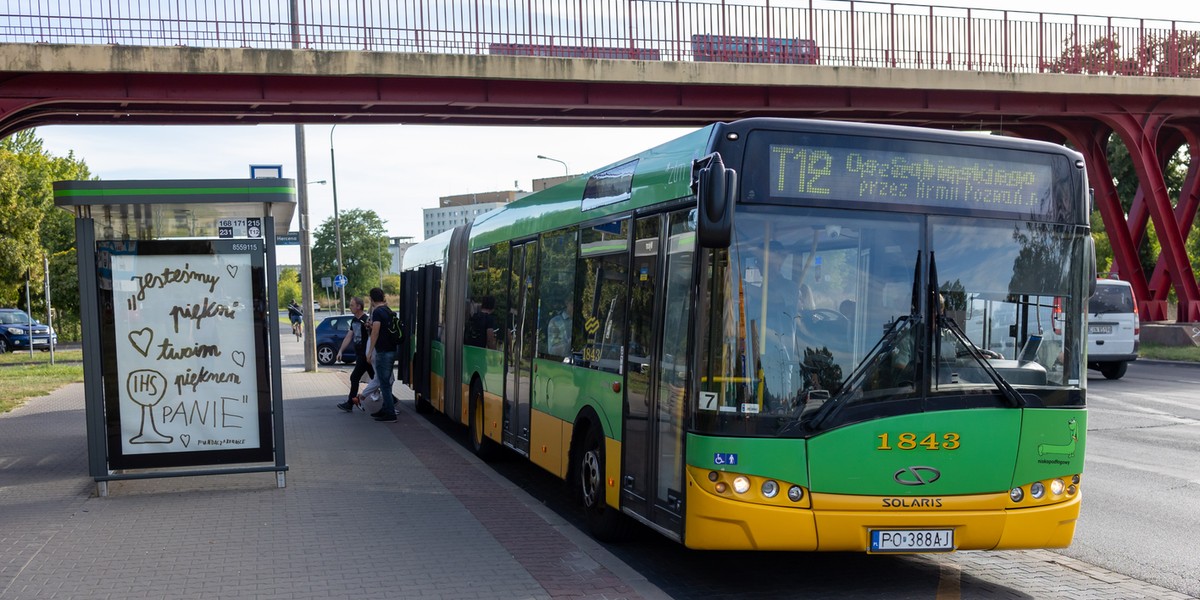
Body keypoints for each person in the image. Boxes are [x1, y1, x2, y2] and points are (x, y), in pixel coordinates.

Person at [335, 297, 375, 412]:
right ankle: (392, 400)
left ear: (359, 307)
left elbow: (373, 337)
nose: (350, 307)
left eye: (352, 305)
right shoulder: (354, 320)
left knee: (354, 377)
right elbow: (349, 336)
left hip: (365, 354)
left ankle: (349, 403)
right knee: (376, 378)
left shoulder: (366, 320)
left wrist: (370, 353)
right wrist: (341, 350)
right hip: (360, 354)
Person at [367, 287, 400, 423]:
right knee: (386, 382)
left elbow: (375, 332)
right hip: (392, 350)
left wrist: (369, 352)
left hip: (383, 352)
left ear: (371, 299)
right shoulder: (388, 310)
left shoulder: (378, 312)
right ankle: (385, 409)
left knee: (384, 383)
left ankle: (390, 413)